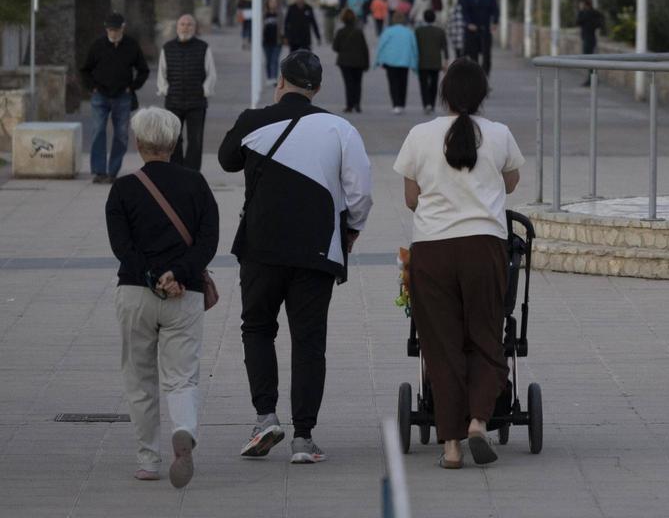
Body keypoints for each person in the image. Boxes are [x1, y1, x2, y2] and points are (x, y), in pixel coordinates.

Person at [218, 50, 373, 465]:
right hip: (316, 250)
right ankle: (304, 438)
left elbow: (226, 160)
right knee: (309, 341)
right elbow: (360, 192)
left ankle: (265, 416)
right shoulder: (341, 129)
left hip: (260, 247)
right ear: (318, 87)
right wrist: (351, 229)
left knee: (257, 328)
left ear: (280, 80)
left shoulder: (253, 121)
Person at [394, 58, 524, 468]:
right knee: (487, 337)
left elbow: (411, 199)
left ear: (443, 93)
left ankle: (450, 445)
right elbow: (510, 183)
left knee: (441, 346)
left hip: (432, 251)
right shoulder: (500, 134)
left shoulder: (420, 135)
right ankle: (478, 422)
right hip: (484, 249)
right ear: (482, 96)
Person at [106, 107, 219, 487]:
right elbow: (208, 241)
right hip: (183, 294)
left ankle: (147, 460)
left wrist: (153, 276)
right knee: (182, 377)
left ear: (138, 144)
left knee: (140, 378)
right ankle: (183, 428)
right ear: (173, 143)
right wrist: (178, 274)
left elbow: (122, 246)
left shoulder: (123, 188)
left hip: (136, 292)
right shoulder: (197, 184)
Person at [81, 13, 150, 184]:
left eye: (116, 29)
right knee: (98, 132)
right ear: (106, 29)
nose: (113, 33)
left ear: (122, 28)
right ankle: (99, 171)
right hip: (100, 96)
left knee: (121, 135)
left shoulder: (131, 45)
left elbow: (143, 70)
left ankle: (113, 171)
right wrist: (93, 87)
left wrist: (132, 87)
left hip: (122, 96)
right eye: (110, 30)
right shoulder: (97, 45)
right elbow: (85, 70)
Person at [156, 14, 217, 171]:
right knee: (174, 140)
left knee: (195, 140)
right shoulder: (167, 48)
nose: (185, 27)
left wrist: (205, 91)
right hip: (173, 102)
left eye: (189, 24)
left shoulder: (204, 47)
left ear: (195, 28)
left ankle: (192, 172)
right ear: (177, 27)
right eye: (182, 24)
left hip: (197, 102)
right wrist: (165, 90)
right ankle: (176, 171)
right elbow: (161, 73)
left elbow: (211, 73)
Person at [375, 13, 420, 114]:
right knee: (403, 83)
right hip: (405, 61)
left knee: (393, 83)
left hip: (390, 61)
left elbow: (381, 46)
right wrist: (415, 62)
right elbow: (414, 48)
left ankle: (396, 104)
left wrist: (377, 61)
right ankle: (402, 104)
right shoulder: (409, 32)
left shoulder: (388, 31)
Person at [459, 0, 499, 74]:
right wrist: (468, 24)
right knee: (473, 57)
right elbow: (464, 12)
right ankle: (475, 79)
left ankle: (485, 78)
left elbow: (495, 10)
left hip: (484, 30)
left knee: (486, 57)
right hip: (471, 32)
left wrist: (495, 22)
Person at [332, 8, 369, 113]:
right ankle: (357, 104)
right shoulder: (359, 32)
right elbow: (364, 48)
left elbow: (335, 47)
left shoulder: (340, 32)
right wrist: (367, 63)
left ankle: (349, 105)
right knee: (358, 83)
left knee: (348, 84)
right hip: (359, 62)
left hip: (345, 62)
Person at [414, 9, 450, 114]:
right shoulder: (440, 31)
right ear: (434, 18)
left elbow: (414, 47)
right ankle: (432, 104)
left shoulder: (418, 31)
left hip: (422, 62)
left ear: (424, 18)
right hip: (436, 62)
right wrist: (446, 62)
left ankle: (426, 104)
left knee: (423, 84)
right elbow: (445, 48)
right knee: (434, 83)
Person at [575, 0, 605, 86]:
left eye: (581, 3)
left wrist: (581, 11)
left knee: (589, 59)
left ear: (585, 4)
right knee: (590, 59)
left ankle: (591, 79)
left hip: (589, 39)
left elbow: (578, 21)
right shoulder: (593, 13)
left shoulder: (586, 13)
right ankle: (592, 78)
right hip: (589, 38)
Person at [262, 0, 283, 83]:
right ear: (268, 3)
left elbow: (283, 26)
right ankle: (269, 77)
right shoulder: (264, 14)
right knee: (268, 60)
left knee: (275, 60)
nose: (273, 4)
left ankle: (274, 78)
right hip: (266, 41)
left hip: (277, 41)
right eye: (271, 2)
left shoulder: (280, 15)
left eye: (275, 2)